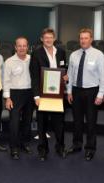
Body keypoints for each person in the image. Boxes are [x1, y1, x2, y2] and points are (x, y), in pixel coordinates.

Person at [67, 28, 104, 161]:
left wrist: (101, 94)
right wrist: (69, 91)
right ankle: (77, 144)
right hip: (76, 91)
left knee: (91, 122)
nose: (83, 40)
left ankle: (90, 148)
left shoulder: (98, 55)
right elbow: (70, 75)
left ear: (91, 39)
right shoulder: (74, 55)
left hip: (92, 91)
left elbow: (103, 76)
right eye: (81, 38)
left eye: (86, 38)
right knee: (77, 121)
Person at [30, 28, 67, 161]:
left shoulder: (61, 52)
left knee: (59, 123)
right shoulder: (36, 53)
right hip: (42, 94)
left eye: (50, 37)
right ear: (41, 39)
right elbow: (34, 76)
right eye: (45, 37)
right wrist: (36, 96)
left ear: (54, 38)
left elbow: (64, 69)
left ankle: (60, 147)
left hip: (57, 94)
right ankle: (43, 150)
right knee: (42, 124)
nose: (48, 40)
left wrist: (65, 77)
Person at [3, 37, 34, 160]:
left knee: (27, 121)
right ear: (15, 47)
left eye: (24, 45)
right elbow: (5, 81)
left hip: (29, 93)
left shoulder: (32, 60)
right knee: (14, 123)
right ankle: (14, 148)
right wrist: (7, 98)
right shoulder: (9, 62)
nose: (22, 48)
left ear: (27, 47)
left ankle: (23, 144)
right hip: (15, 94)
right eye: (19, 46)